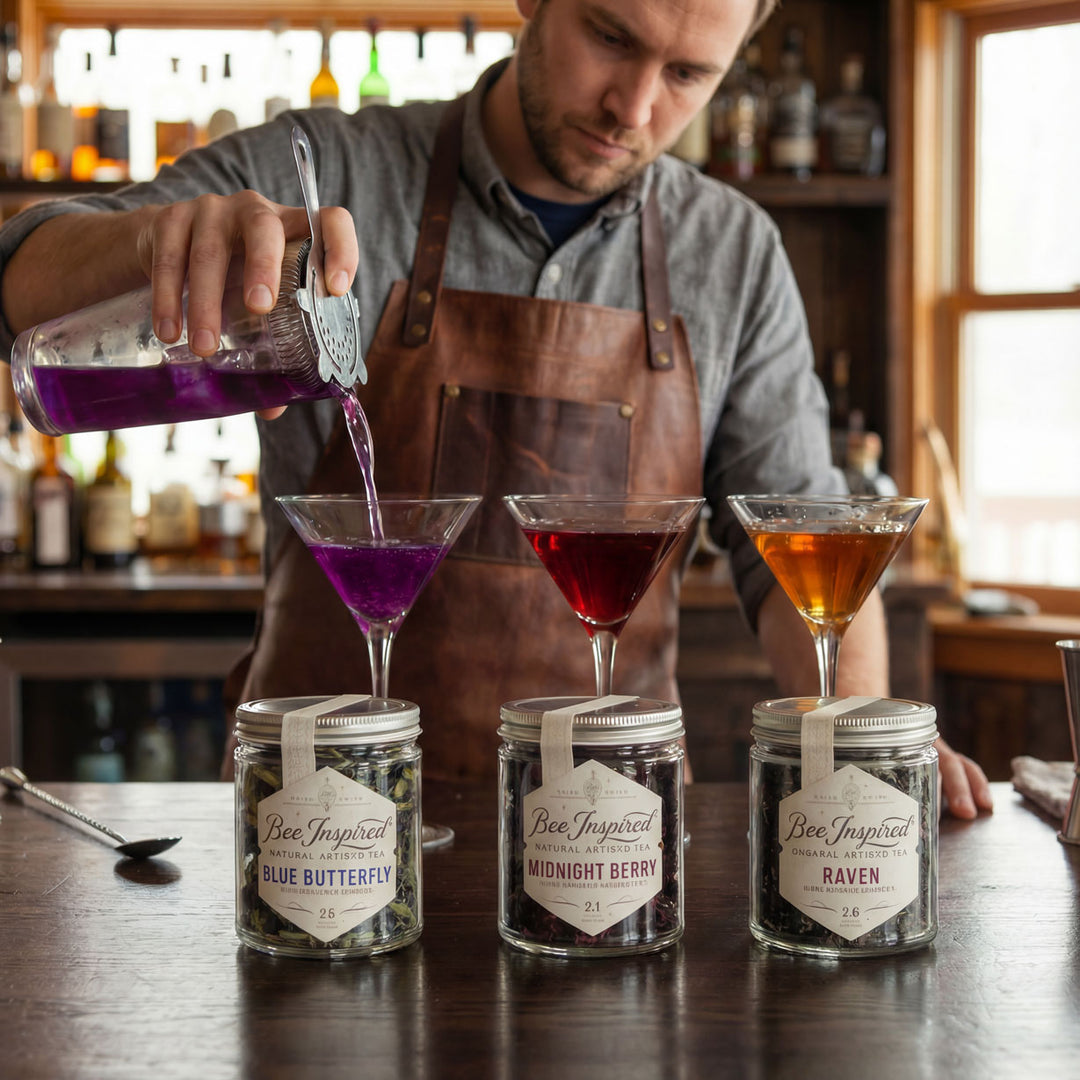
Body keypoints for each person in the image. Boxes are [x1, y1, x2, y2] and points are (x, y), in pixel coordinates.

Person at [0, 0, 991, 816]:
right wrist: (155, 246)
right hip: (315, 826)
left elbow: (800, 558)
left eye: (688, 75)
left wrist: (864, 736)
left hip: (615, 833)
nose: (633, 106)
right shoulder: (331, 172)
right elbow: (23, 269)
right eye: (610, 35)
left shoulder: (731, 252)